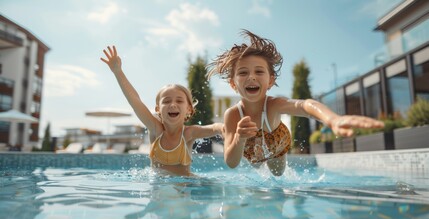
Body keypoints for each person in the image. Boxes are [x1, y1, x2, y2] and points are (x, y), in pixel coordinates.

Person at [207, 30, 384, 176]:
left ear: (270, 81)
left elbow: (304, 105)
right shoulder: (232, 115)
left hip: (278, 142)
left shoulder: (274, 105)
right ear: (233, 84)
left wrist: (333, 119)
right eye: (243, 72)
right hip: (248, 145)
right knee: (255, 167)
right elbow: (231, 162)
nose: (252, 76)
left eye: (259, 71)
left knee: (277, 175)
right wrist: (239, 138)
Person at [101, 45, 223, 176]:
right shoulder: (156, 130)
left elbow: (215, 127)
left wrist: (224, 128)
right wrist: (118, 72)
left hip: (183, 190)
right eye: (166, 101)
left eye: (179, 101)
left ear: (188, 109)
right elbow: (135, 101)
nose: (172, 104)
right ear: (158, 109)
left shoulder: (188, 133)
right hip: (159, 190)